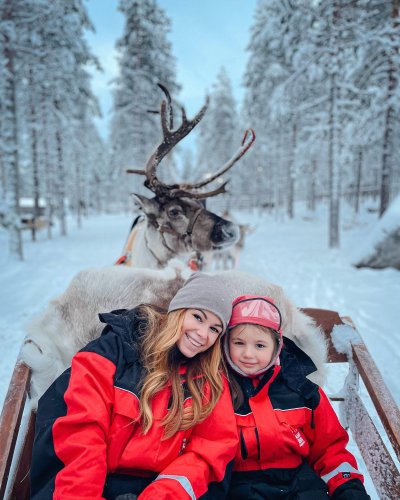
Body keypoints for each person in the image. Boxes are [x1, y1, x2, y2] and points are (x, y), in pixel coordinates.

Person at [30, 272, 238, 500]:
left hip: (160, 490)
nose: (202, 334)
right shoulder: (115, 350)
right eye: (198, 317)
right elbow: (82, 429)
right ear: (179, 310)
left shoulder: (209, 380)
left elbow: (210, 451)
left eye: (214, 329)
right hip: (93, 483)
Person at [224, 295, 370, 499]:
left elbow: (329, 447)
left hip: (299, 484)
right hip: (241, 486)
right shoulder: (219, 390)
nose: (248, 354)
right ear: (225, 344)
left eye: (260, 345)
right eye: (239, 343)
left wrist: (348, 487)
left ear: (277, 346)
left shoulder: (301, 388)